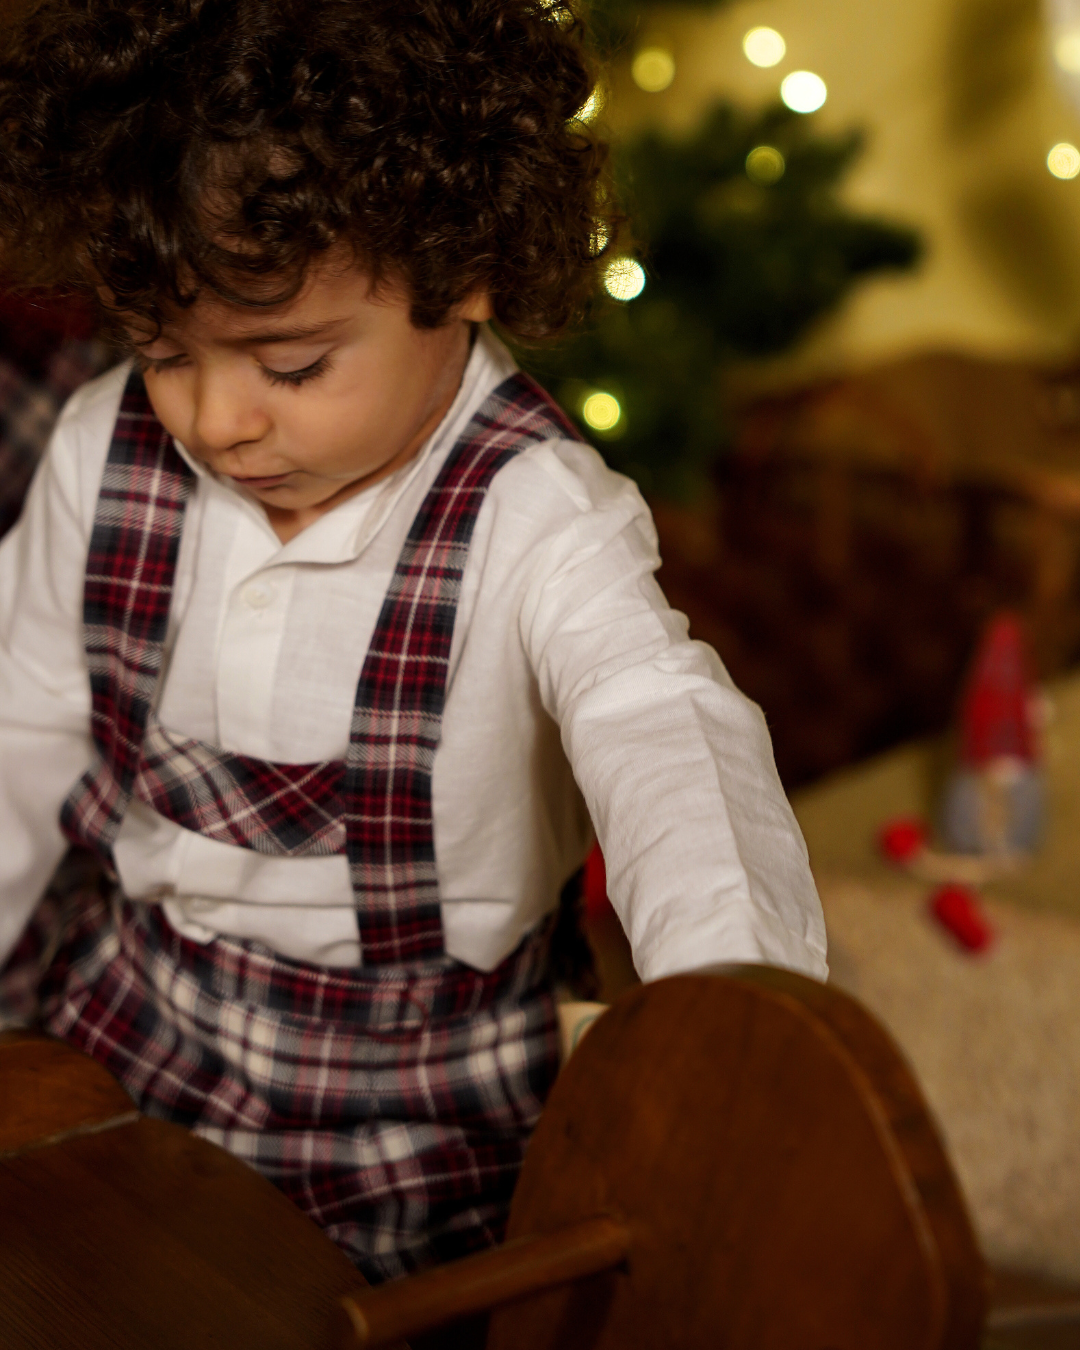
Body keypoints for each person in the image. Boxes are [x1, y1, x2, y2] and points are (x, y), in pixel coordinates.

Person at [0, 0, 826, 1282]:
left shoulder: (540, 520)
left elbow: (666, 733)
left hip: (419, 1110)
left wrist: (736, 1031)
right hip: (134, 1027)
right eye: (165, 349)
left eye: (292, 361)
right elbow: (17, 729)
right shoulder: (102, 448)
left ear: (466, 268)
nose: (217, 419)